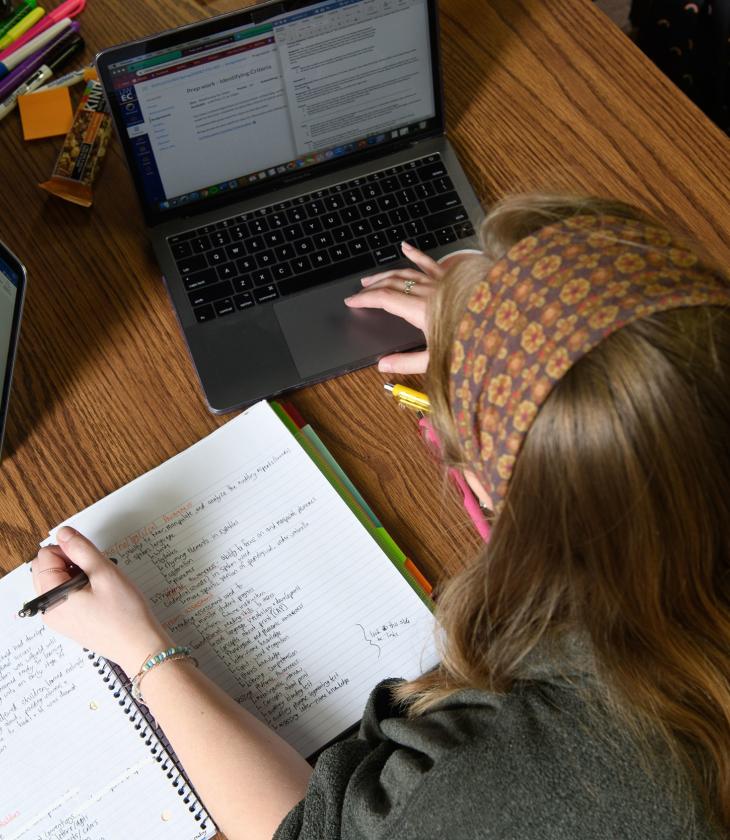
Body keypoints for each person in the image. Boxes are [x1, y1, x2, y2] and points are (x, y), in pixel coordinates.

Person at [32, 194, 730, 840]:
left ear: (506, 503)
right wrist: (506, 347)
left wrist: (142, 653)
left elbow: (309, 831)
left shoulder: (526, 778)